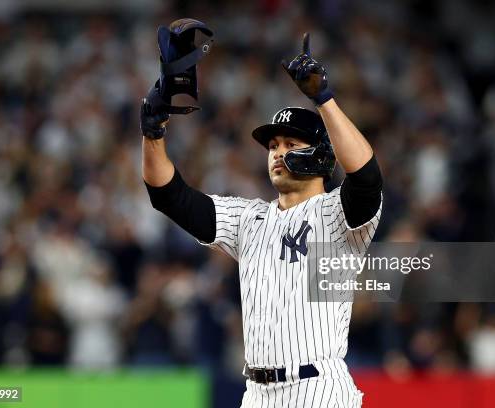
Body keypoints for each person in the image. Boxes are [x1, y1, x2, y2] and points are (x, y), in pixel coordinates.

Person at [141, 32, 382, 408]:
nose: (276, 152)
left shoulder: (338, 215)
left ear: (321, 155)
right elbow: (168, 195)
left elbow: (366, 177)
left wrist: (324, 99)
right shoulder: (249, 219)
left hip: (316, 388)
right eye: (272, 146)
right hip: (257, 392)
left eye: (290, 144)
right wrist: (153, 133)